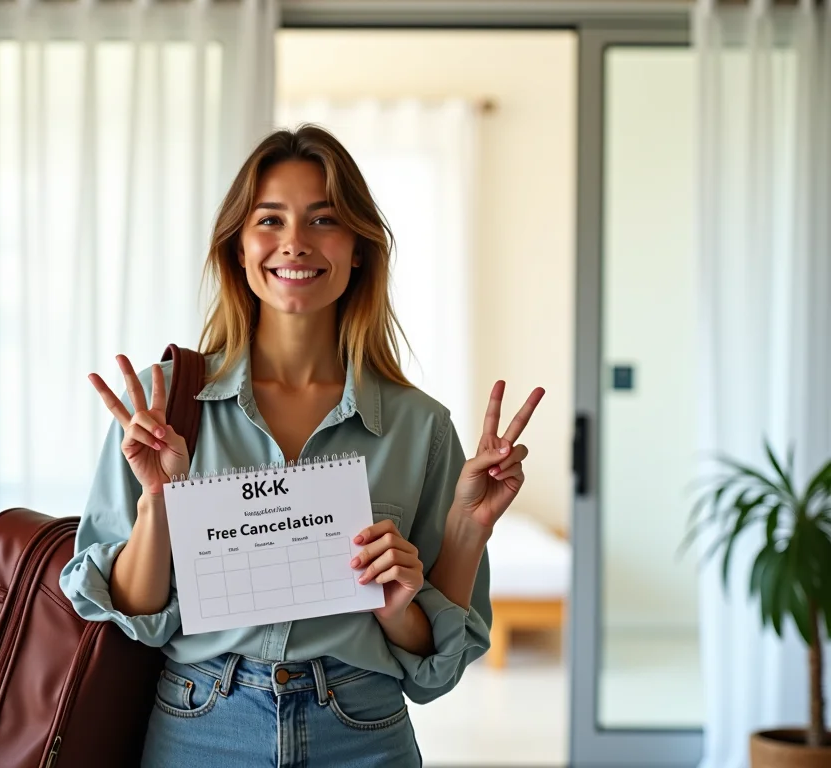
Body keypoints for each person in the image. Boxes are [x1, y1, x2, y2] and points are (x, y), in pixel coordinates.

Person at [59, 125, 544, 767]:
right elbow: (133, 616)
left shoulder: (420, 426)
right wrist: (158, 501)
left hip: (363, 731)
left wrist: (462, 535)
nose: (295, 242)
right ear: (237, 246)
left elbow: (433, 673)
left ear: (359, 249)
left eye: (323, 219)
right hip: (201, 726)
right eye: (270, 219)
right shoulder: (163, 406)